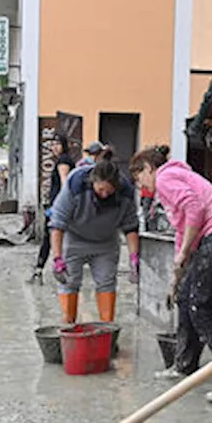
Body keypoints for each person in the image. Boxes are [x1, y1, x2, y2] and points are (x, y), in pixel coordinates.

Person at [130, 145, 212, 404]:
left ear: (147, 169)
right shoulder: (174, 178)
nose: (140, 184)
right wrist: (176, 277)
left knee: (201, 308)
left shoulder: (164, 178)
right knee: (186, 298)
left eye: (138, 177)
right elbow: (182, 227)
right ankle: (184, 365)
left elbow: (195, 210)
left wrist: (185, 251)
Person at [48, 159, 141, 324]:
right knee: (69, 282)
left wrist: (134, 259)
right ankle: (69, 325)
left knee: (107, 282)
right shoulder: (75, 183)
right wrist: (57, 258)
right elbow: (58, 223)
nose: (105, 194)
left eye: (109, 191)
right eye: (101, 189)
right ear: (93, 183)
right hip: (75, 238)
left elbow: (130, 226)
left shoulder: (126, 191)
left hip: (106, 242)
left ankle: (107, 330)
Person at [32, 135, 75, 283]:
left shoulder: (63, 161)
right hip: (58, 205)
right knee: (53, 238)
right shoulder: (63, 160)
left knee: (50, 237)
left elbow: (65, 184)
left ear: (64, 146)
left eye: (58, 144)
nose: (54, 147)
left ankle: (41, 270)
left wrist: (59, 206)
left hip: (59, 207)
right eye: (53, 144)